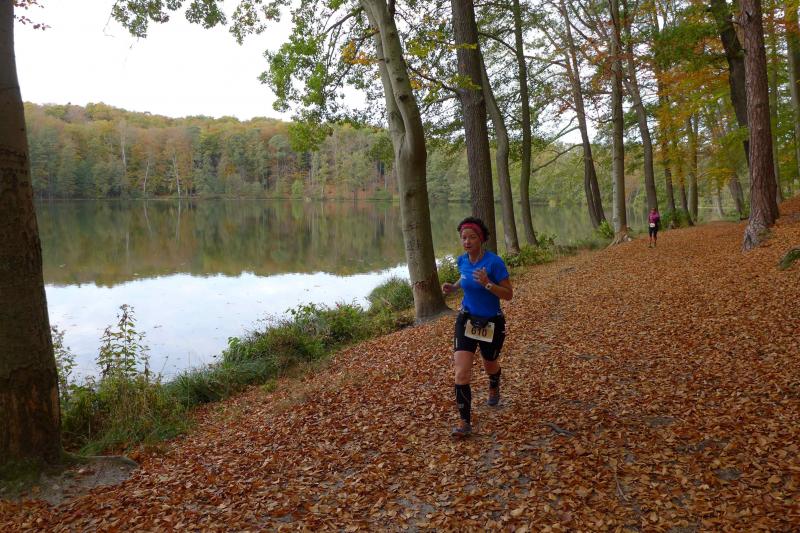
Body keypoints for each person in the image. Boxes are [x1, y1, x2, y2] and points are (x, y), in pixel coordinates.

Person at [441, 217, 513, 437]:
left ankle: (494, 383)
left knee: (490, 363)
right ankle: (464, 422)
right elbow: (464, 277)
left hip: (491, 322)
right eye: (464, 238)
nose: (467, 241)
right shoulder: (462, 260)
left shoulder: (494, 263)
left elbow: (508, 294)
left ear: (481, 239)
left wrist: (488, 284)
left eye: (472, 237)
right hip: (466, 320)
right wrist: (454, 287)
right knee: (461, 372)